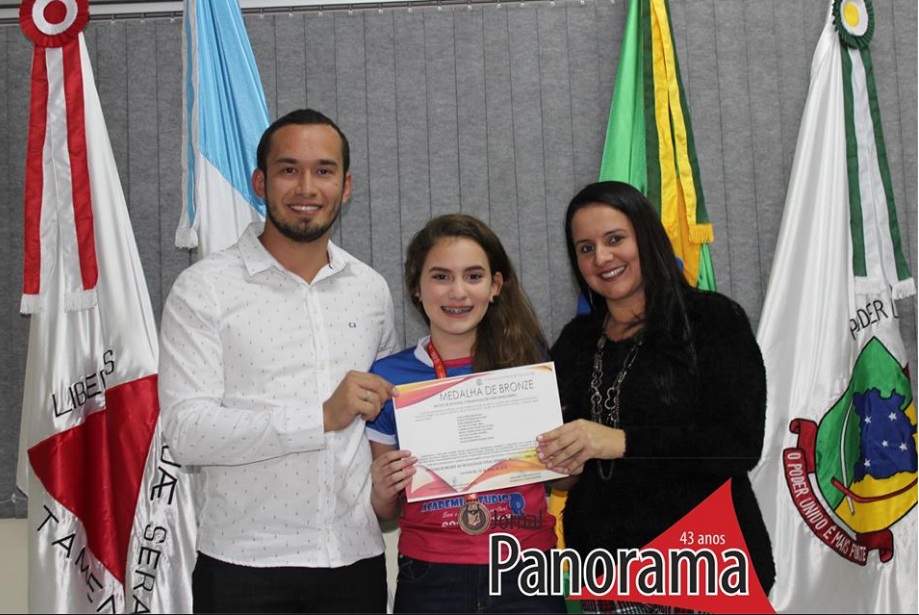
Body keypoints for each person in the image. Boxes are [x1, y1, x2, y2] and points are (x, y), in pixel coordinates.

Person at [158, 108, 399, 613]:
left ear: (346, 186)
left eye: (324, 171)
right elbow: (186, 432)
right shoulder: (204, 289)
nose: (306, 187)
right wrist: (320, 417)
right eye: (289, 169)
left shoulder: (371, 290)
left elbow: (386, 422)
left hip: (355, 562)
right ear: (260, 182)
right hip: (243, 569)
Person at [536, 181, 776, 613]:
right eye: (586, 248)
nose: (601, 258)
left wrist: (620, 441)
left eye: (615, 239)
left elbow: (739, 444)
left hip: (705, 567)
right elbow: (560, 465)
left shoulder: (712, 319)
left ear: (647, 238)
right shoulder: (574, 342)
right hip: (608, 577)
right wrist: (559, 467)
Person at [367, 214, 567, 614]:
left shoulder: (529, 365)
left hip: (526, 568)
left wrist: (566, 458)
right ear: (416, 287)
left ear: (495, 286)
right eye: (441, 276)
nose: (458, 292)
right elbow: (387, 510)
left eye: (473, 276)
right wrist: (382, 490)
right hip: (430, 575)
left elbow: (563, 478)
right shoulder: (388, 379)